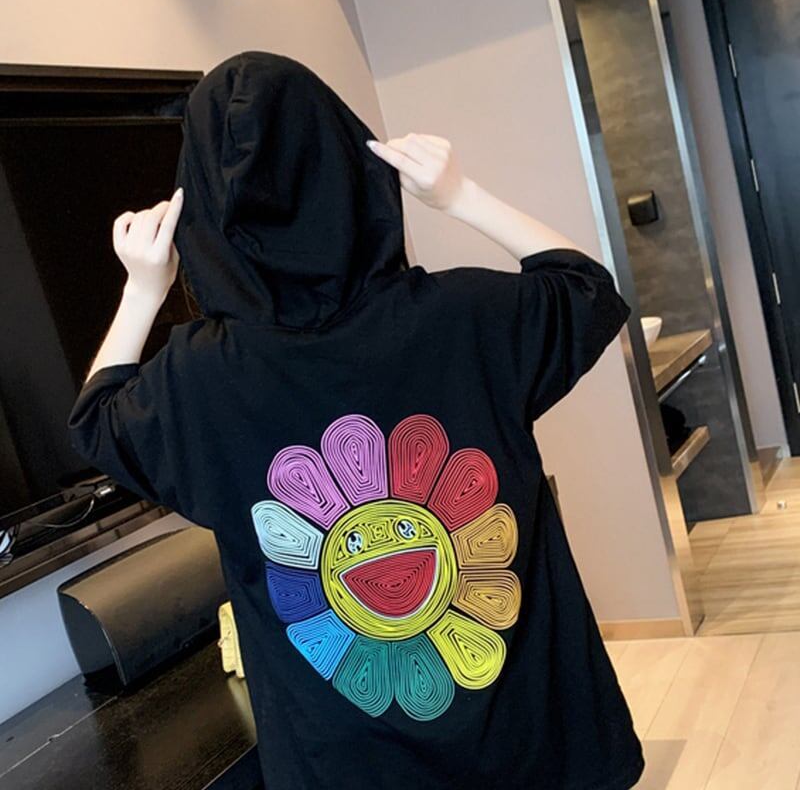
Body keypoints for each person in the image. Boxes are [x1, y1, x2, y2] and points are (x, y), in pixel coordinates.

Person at [67, 50, 644, 789]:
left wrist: (144, 290)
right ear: (354, 164)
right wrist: (460, 195)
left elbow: (96, 420)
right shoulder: (465, 317)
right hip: (529, 741)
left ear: (201, 207)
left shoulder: (197, 381)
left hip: (344, 766)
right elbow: (586, 288)